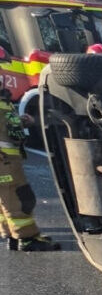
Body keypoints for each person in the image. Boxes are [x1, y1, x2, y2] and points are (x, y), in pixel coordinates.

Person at [0, 72, 59, 251]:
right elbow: (13, 131)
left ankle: (11, 234)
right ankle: (27, 238)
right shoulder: (2, 105)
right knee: (19, 198)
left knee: (4, 200)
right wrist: (24, 122)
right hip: (6, 162)